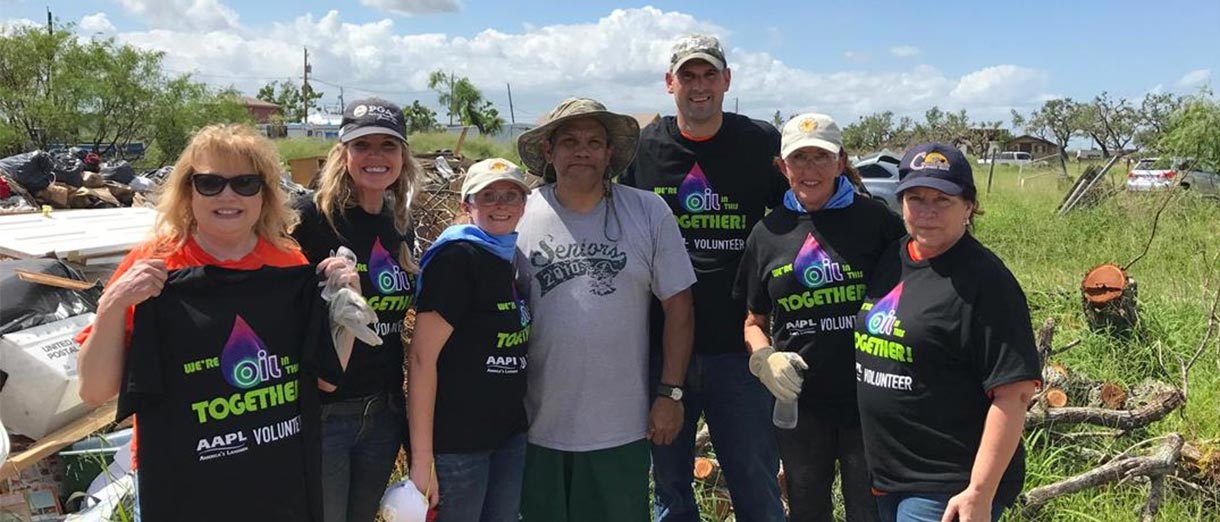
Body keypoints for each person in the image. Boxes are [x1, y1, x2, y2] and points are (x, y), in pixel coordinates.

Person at [75, 123, 353, 520]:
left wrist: (345, 309)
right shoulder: (155, 266)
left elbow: (326, 377)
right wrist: (113, 305)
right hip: (183, 483)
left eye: (245, 183)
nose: (228, 196)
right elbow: (94, 390)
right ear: (189, 191)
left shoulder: (289, 266)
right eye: (210, 183)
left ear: (265, 193)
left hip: (275, 482)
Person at [620, 34, 788, 522]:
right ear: (669, 83)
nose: (699, 86)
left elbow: (801, 213)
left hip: (740, 349)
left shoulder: (760, 142)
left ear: (727, 81)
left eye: (709, 75)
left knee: (755, 482)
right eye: (687, 76)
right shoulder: (643, 150)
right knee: (669, 488)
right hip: (658, 349)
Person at [514, 98, 696, 522]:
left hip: (620, 426)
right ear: (548, 151)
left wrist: (670, 393)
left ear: (609, 153)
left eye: (594, 142)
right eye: (570, 141)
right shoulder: (520, 213)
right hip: (536, 422)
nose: (582, 151)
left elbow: (680, 307)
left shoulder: (648, 211)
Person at [854, 143, 1041, 522]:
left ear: (968, 206)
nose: (927, 212)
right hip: (890, 477)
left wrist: (980, 491)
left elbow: (1014, 393)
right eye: (916, 198)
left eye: (943, 200)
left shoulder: (985, 282)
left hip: (948, 484)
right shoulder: (895, 257)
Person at [735, 113, 904, 522]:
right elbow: (754, 320)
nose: (810, 170)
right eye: (799, 159)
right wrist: (764, 359)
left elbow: (912, 293)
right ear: (782, 167)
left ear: (841, 161)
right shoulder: (768, 233)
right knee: (807, 507)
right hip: (801, 406)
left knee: (869, 510)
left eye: (821, 158)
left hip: (869, 399)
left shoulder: (877, 222)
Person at [291, 97, 421, 522]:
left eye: (388, 146)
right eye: (362, 145)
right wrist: (319, 282)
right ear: (342, 153)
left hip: (383, 410)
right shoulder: (312, 218)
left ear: (403, 156)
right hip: (326, 411)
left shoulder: (399, 221)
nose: (376, 157)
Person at [406, 158, 533, 521]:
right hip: (459, 444)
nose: (500, 205)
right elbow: (420, 359)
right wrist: (422, 459)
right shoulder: (457, 258)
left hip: (507, 435)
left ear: (523, 207)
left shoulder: (508, 257)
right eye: (488, 196)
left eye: (511, 196)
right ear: (467, 206)